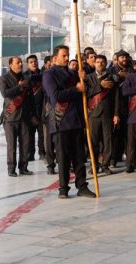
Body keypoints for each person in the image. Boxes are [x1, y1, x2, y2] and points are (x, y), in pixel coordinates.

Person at [43, 44, 95, 198]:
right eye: (63, 55)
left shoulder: (74, 74)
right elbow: (56, 97)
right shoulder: (49, 75)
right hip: (61, 121)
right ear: (55, 58)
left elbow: (84, 92)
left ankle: (82, 186)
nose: (66, 58)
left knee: (79, 156)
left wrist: (83, 80)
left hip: (77, 120)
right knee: (63, 158)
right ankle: (63, 188)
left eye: (67, 55)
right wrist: (75, 89)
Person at [0, 57, 34, 177]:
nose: (20, 64)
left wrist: (33, 114)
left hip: (24, 116)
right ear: (10, 65)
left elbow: (31, 98)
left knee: (25, 144)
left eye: (21, 62)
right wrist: (19, 87)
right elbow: (5, 93)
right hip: (11, 116)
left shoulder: (26, 78)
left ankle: (23, 167)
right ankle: (11, 168)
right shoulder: (4, 78)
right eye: (17, 63)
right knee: (12, 145)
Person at [85, 54, 117, 174]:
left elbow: (116, 96)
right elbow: (86, 93)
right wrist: (100, 85)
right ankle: (94, 164)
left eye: (102, 62)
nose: (100, 64)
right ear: (94, 63)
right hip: (93, 113)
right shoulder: (88, 78)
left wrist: (116, 113)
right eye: (97, 62)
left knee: (107, 140)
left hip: (108, 113)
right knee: (93, 141)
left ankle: (105, 164)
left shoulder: (112, 77)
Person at [109, 51, 133, 167]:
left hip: (131, 105)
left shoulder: (131, 70)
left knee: (129, 135)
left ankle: (130, 159)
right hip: (115, 105)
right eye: (122, 57)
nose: (124, 59)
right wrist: (119, 76)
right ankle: (114, 158)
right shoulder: (112, 70)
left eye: (125, 57)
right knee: (116, 134)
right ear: (117, 59)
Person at [23, 56, 45, 161]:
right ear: (28, 64)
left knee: (42, 133)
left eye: (35, 62)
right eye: (31, 62)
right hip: (29, 109)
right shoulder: (24, 76)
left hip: (42, 107)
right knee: (29, 134)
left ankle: (42, 152)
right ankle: (30, 153)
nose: (33, 64)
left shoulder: (43, 74)